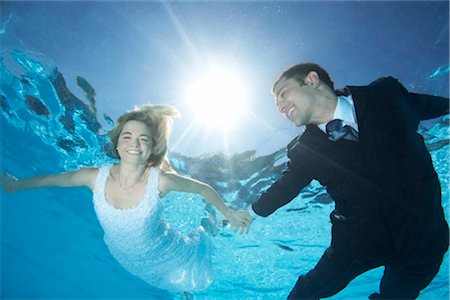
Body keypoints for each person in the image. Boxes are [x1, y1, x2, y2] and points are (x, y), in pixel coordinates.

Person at [0, 104, 251, 296]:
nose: (134, 143)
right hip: (127, 256)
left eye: (144, 139)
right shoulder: (93, 177)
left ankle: (209, 223)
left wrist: (228, 213)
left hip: (172, 253)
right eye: (127, 136)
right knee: (177, 286)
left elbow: (204, 189)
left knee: (198, 248)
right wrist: (16, 185)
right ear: (117, 144)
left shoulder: (161, 181)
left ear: (152, 149)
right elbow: (52, 179)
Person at [247, 62, 449, 299]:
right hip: (355, 243)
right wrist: (251, 212)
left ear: (312, 80)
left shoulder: (386, 95)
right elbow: (285, 187)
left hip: (423, 239)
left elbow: (426, 105)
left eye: (283, 94)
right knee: (304, 294)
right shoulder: (305, 151)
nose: (280, 106)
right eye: (276, 104)